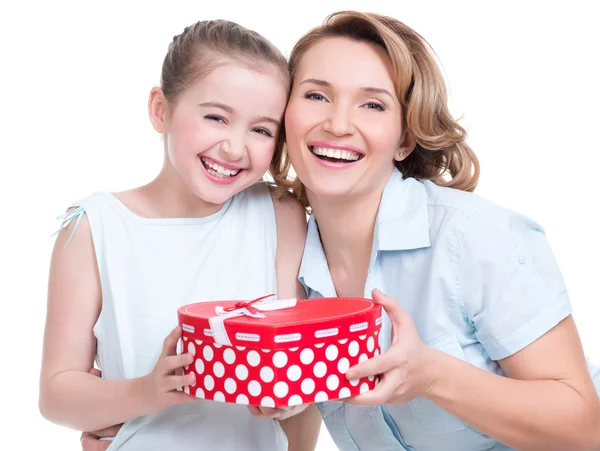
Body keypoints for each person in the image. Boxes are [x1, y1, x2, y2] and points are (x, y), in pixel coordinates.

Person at [273, 10, 600, 450]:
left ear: (405, 138)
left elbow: (585, 427)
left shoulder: (476, 237)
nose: (337, 124)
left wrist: (432, 374)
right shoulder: (286, 255)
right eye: (316, 95)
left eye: (372, 104)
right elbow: (302, 409)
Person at [39, 19, 321, 451]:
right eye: (215, 117)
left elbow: (297, 369)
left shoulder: (280, 214)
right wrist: (146, 392)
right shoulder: (95, 227)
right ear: (161, 109)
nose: (234, 147)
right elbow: (56, 395)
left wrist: (293, 401)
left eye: (261, 129)